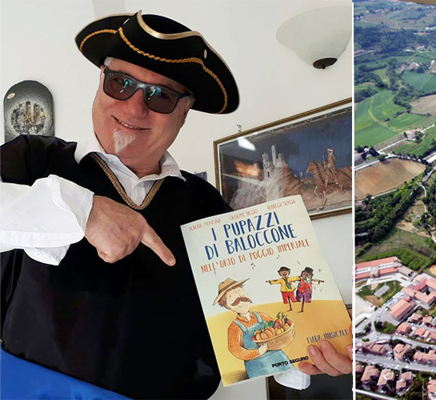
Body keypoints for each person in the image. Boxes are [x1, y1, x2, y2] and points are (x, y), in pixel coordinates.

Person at [0, 12, 351, 399]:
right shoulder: (32, 162)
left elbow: (251, 324)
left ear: (184, 113)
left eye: (161, 96)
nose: (135, 108)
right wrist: (82, 209)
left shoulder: (209, 208)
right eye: (120, 83)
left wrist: (306, 355)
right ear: (100, 82)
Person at [214, 278, 293, 378]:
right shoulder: (234, 327)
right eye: (231, 296)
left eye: (239, 291)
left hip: (278, 356)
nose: (238, 298)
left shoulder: (261, 316)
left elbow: (276, 326)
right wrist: (257, 352)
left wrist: (285, 327)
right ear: (227, 306)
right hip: (258, 366)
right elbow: (235, 349)